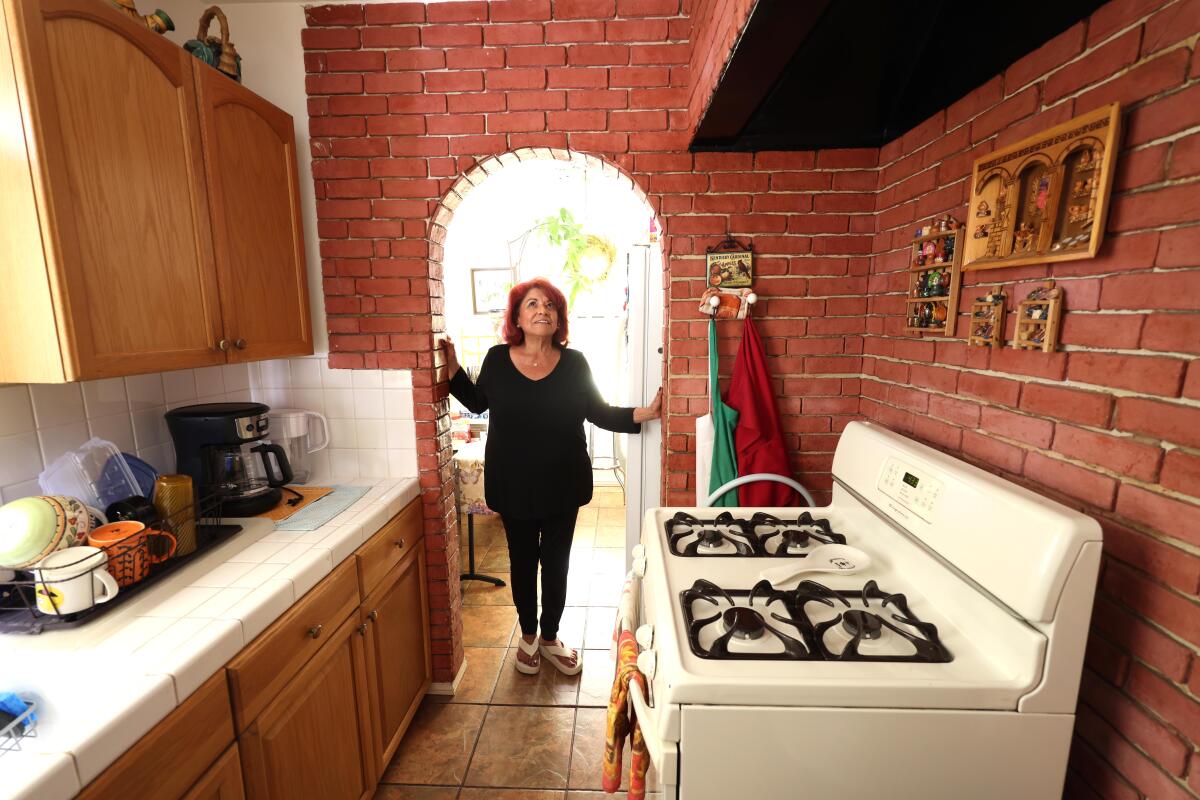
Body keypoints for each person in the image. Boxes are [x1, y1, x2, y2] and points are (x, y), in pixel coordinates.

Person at [442, 277, 662, 676]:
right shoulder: (496, 359)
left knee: (557, 563)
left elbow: (597, 410)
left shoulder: (574, 362)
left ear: (558, 317)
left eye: (550, 305)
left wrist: (641, 414)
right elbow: (476, 401)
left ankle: (550, 637)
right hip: (513, 483)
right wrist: (453, 367)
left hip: (563, 482)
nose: (542, 310)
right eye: (532, 304)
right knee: (522, 562)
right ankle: (527, 635)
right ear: (517, 317)